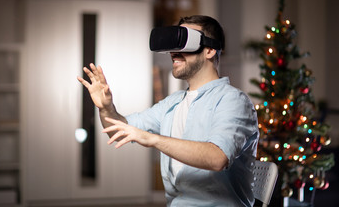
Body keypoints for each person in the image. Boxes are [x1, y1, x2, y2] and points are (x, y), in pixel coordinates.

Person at [77, 15, 259, 207]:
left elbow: (217, 158)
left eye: (184, 43)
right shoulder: (173, 103)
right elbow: (118, 130)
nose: (174, 52)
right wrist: (106, 107)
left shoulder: (233, 101)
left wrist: (152, 139)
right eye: (173, 44)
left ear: (210, 50)